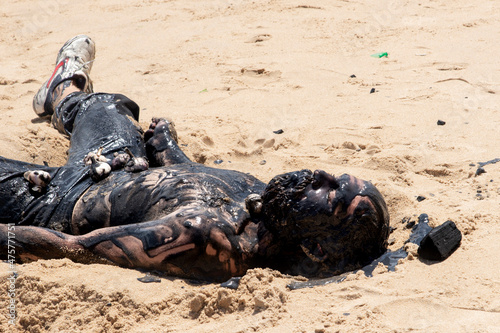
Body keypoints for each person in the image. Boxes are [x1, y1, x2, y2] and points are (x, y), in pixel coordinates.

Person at [0, 35, 390, 282]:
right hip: (119, 163)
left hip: (56, 200)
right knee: (106, 105)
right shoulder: (279, 203)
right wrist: (166, 146)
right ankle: (62, 91)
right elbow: (193, 184)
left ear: (316, 248)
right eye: (337, 176)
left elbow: (74, 248)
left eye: (332, 192)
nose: (321, 174)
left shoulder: (210, 237)